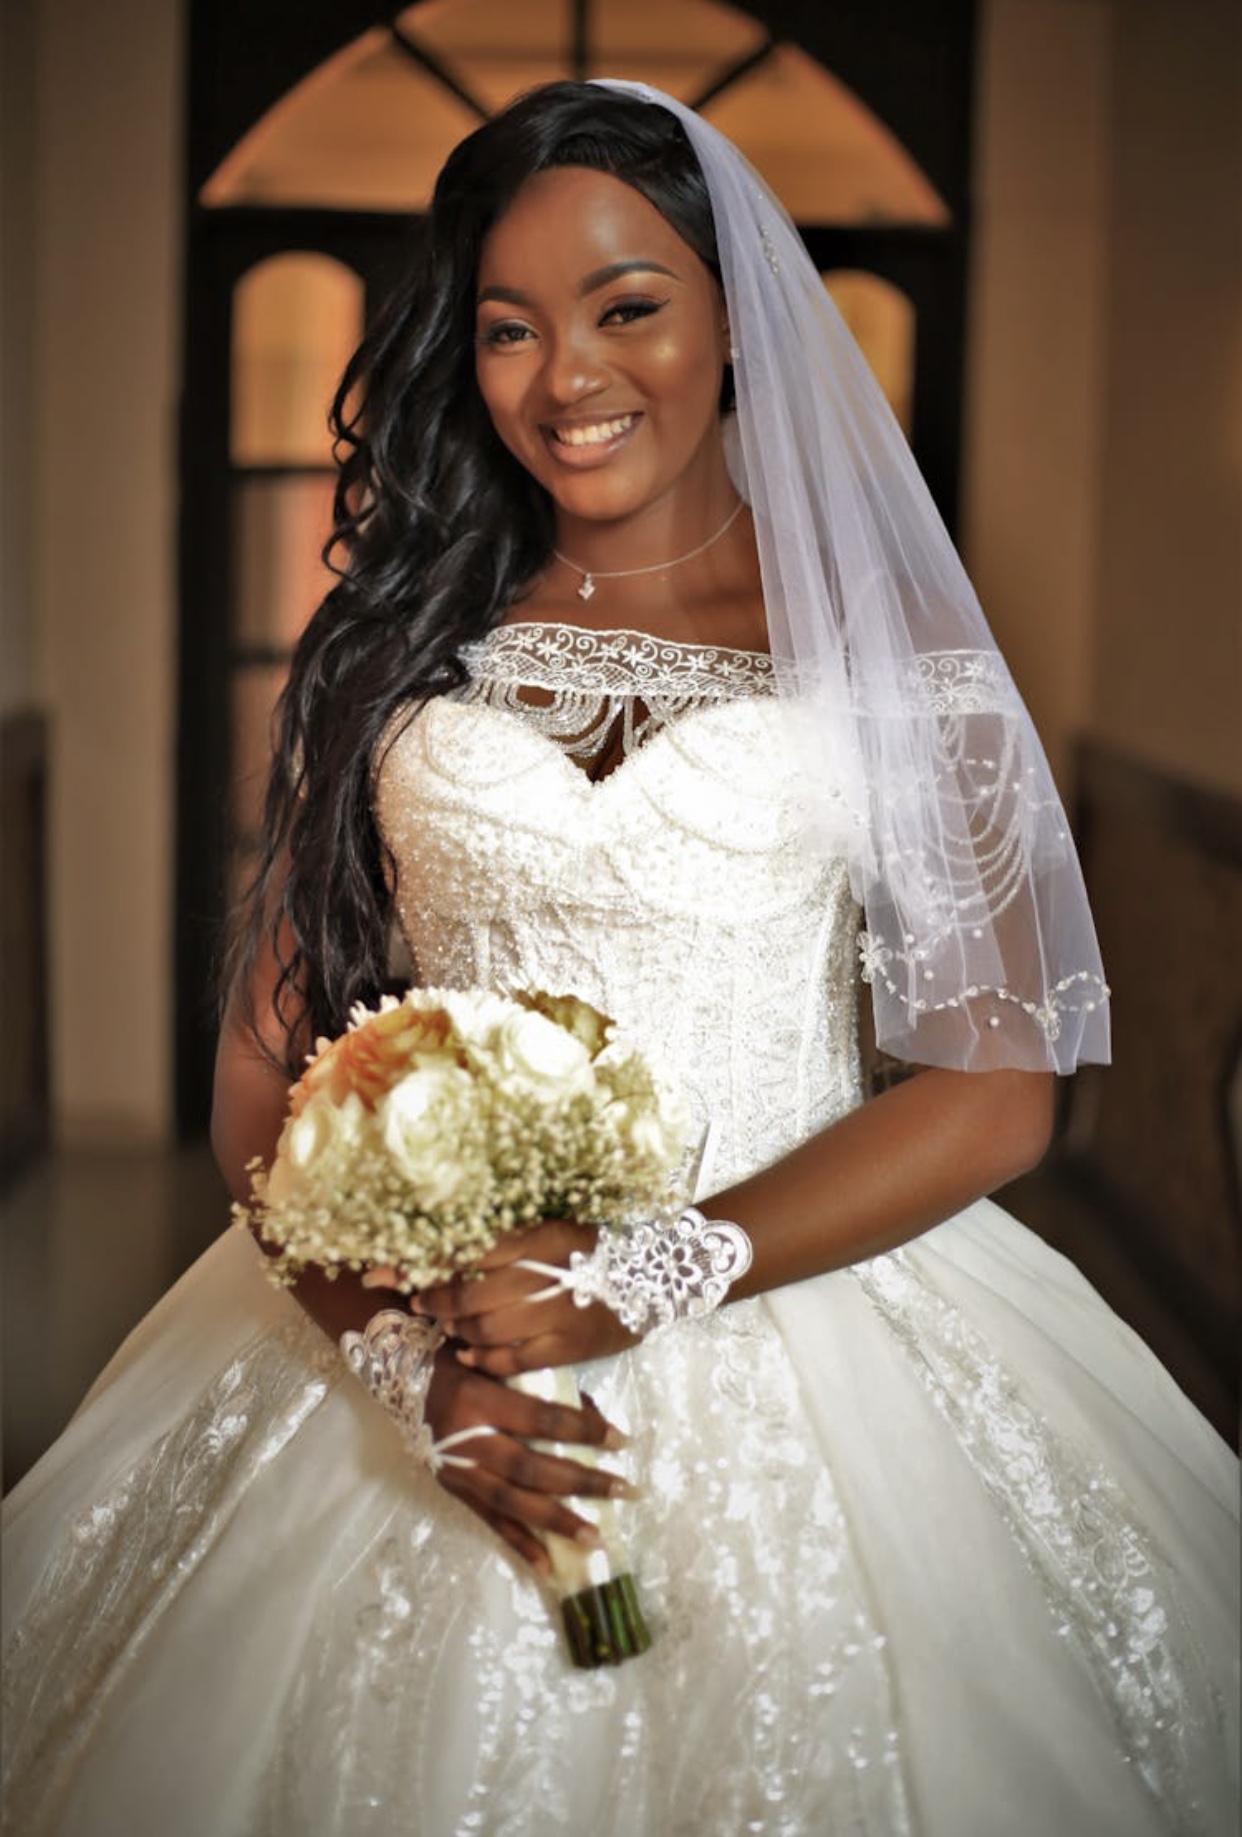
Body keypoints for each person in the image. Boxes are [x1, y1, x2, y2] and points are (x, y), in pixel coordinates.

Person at [2, 79, 1236, 1837]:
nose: (566, 377)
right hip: (435, 1331)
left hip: (803, 1292)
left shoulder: (894, 662)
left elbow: (995, 1089)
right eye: (508, 328)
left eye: (626, 306)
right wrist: (406, 1365)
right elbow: (263, 1080)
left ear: (737, 317)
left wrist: (652, 1270)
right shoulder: (393, 649)